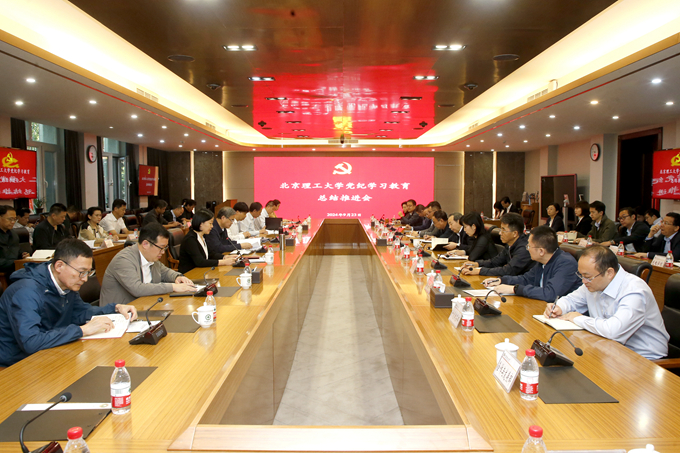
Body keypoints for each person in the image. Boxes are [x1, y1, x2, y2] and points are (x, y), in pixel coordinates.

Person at [0, 239, 137, 367]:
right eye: (81, 272)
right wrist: (82, 330)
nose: (85, 279)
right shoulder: (26, 292)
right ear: (59, 266)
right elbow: (31, 342)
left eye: (89, 273)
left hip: (50, 352)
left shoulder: (65, 283)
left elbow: (80, 312)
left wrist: (116, 308)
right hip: (17, 364)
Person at [544, 246, 669, 360]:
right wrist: (559, 307)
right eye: (581, 275)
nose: (583, 281)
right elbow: (571, 300)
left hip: (644, 358)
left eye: (587, 276)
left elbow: (614, 331)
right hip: (608, 347)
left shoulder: (634, 290)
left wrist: (577, 318)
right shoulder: (594, 282)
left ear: (609, 273)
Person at [100, 223, 197, 306]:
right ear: (145, 244)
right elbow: (137, 288)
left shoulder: (150, 257)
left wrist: (178, 277)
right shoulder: (123, 260)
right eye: (161, 248)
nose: (163, 252)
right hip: (119, 314)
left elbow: (165, 272)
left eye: (165, 248)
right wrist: (173, 287)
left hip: (144, 305)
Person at [484, 225, 581, 302]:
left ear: (541, 251)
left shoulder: (566, 264)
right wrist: (501, 280)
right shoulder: (542, 261)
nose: (527, 249)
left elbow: (550, 294)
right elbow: (526, 279)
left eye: (529, 246)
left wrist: (515, 289)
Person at [462, 213, 535, 277]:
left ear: (515, 233)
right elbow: (495, 262)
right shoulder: (510, 244)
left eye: (503, 230)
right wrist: (477, 264)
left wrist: (480, 271)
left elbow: (508, 270)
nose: (500, 233)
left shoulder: (524, 249)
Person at [179, 209, 237, 274]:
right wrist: (223, 262)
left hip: (202, 271)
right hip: (190, 273)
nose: (212, 226)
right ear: (201, 224)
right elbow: (200, 262)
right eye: (210, 223)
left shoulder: (203, 236)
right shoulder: (190, 239)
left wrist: (224, 257)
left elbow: (210, 254)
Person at [0, 206, 29, 277]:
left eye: (14, 219)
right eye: (10, 219)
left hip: (15, 268)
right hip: (5, 269)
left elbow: (16, 250)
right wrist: (15, 263)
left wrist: (22, 255)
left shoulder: (13, 233)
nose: (13, 222)